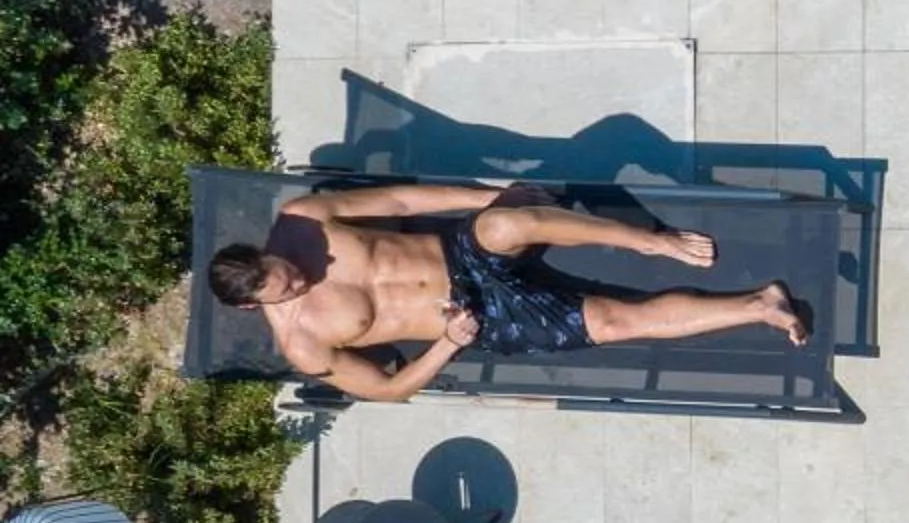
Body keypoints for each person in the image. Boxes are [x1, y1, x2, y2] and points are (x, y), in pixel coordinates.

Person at [206, 181, 807, 404]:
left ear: (263, 249)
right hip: (481, 317)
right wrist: (447, 344)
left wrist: (485, 197)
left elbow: (400, 202)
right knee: (620, 324)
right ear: (251, 305)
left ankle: (649, 241)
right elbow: (387, 389)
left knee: (504, 225)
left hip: (460, 252)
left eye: (281, 265)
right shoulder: (304, 346)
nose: (295, 277)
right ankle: (761, 306)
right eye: (281, 286)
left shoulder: (303, 219)